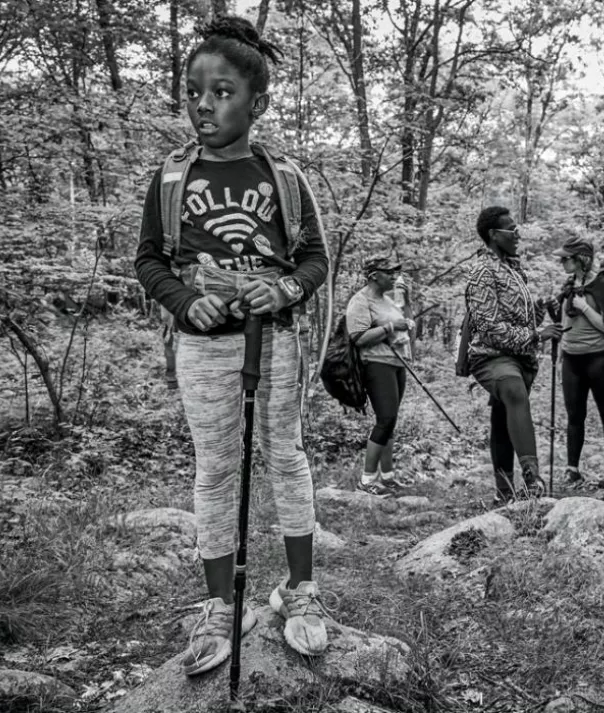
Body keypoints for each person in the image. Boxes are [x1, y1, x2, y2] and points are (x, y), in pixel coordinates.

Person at [133, 16, 331, 676]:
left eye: (221, 92)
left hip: (273, 341)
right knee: (216, 466)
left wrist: (286, 291)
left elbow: (315, 259)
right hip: (204, 348)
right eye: (194, 91)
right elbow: (149, 261)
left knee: (284, 454)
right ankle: (220, 604)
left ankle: (301, 590)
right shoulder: (170, 179)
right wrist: (188, 301)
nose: (204, 104)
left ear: (257, 103)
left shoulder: (284, 177)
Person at [465, 206, 559, 506]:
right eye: (510, 229)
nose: (517, 233)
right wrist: (535, 335)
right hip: (489, 355)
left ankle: (503, 492)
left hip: (520, 357)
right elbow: (490, 327)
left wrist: (542, 310)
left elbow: (520, 316)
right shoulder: (482, 271)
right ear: (493, 234)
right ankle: (533, 479)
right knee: (513, 391)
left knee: (503, 415)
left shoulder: (513, 268)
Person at [551, 236, 604, 489]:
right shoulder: (569, 285)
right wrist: (560, 355)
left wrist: (585, 307)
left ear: (581, 259)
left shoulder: (602, 285)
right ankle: (572, 470)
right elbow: (563, 321)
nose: (562, 262)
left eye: (566, 258)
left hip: (599, 358)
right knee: (574, 416)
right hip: (571, 359)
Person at [346, 256, 415, 495]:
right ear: (374, 275)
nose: (394, 277)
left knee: (391, 420)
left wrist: (407, 303)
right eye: (389, 273)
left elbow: (405, 323)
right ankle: (366, 480)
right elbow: (358, 338)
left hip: (397, 362)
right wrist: (390, 328)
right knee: (385, 419)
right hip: (375, 364)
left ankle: (387, 476)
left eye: (396, 272)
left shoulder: (388, 300)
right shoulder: (360, 301)